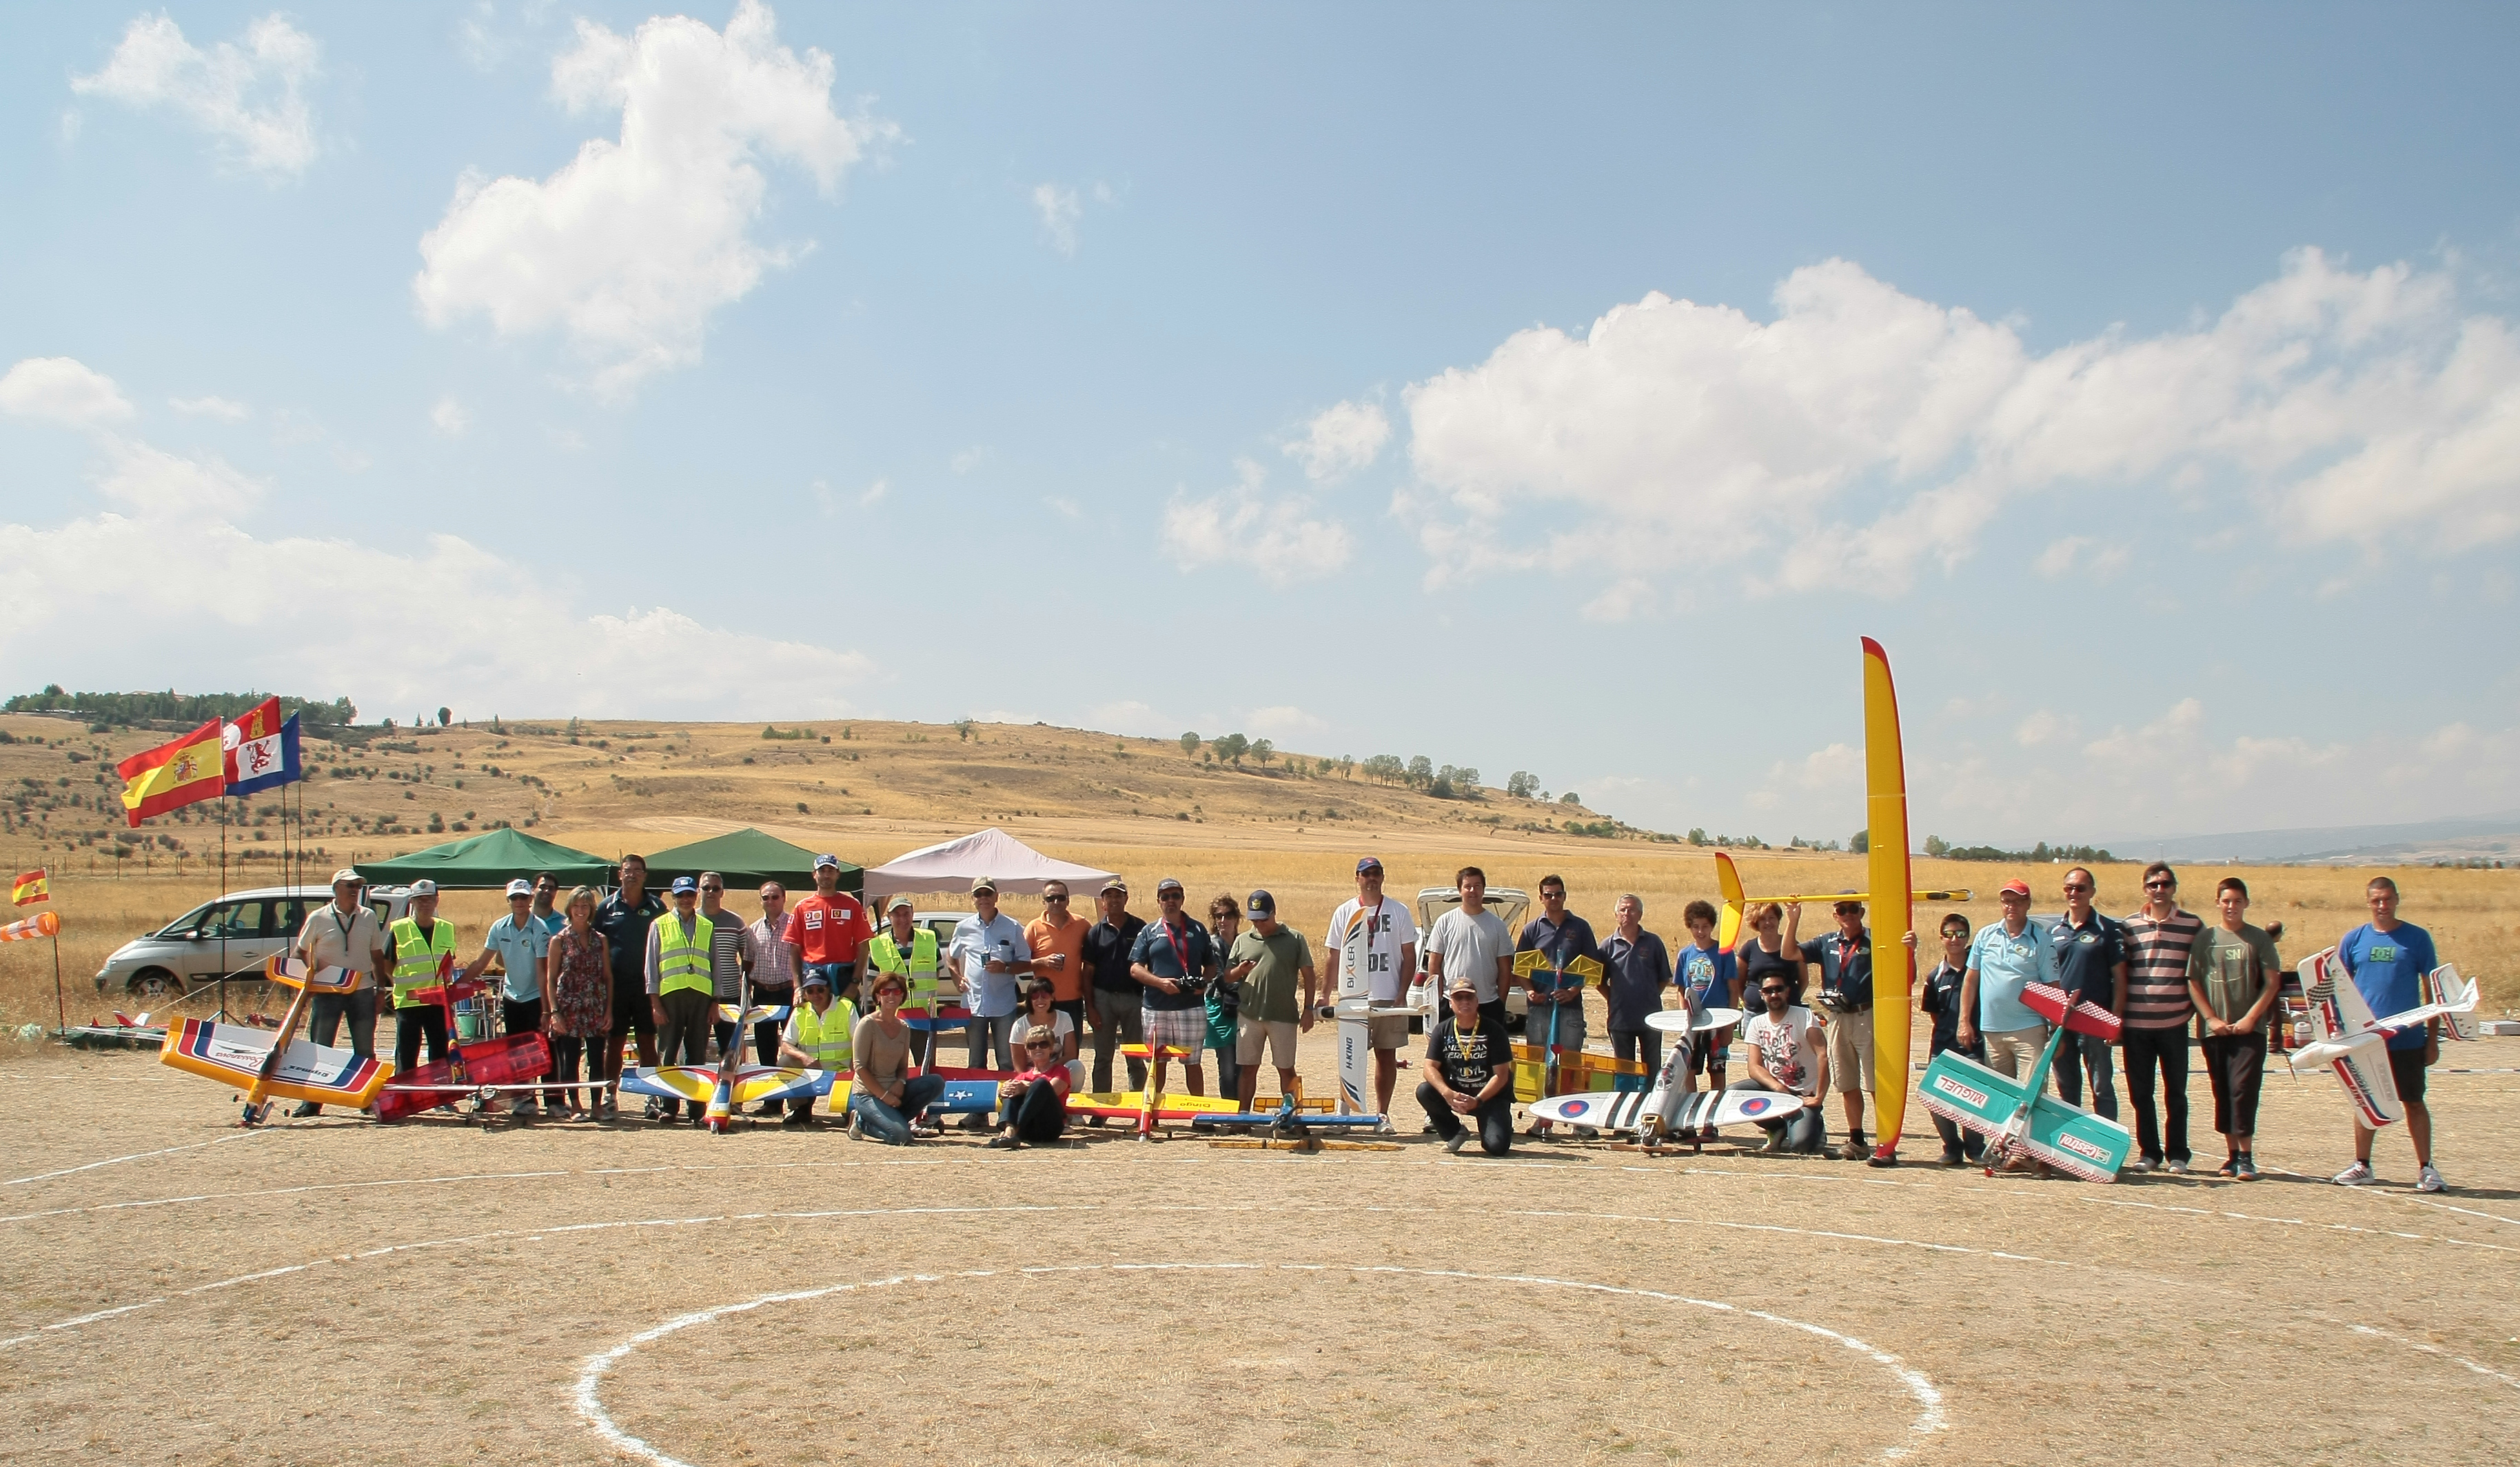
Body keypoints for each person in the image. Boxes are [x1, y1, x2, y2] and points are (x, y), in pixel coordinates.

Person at [2332, 876, 2447, 1193]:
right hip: (2366, 1040)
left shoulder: (2418, 939)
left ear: (2397, 899)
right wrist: (2340, 1033)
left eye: (2387, 900)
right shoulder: (2354, 940)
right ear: (2368, 902)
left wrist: (2432, 1038)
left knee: (2413, 1101)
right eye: (2376, 901)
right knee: (2365, 1102)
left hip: (2408, 1039)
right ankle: (2362, 1165)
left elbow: (2431, 990)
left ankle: (2426, 1168)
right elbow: (2338, 989)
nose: (2382, 906)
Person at [2186, 877, 2282, 1180]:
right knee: (2223, 1090)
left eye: (2237, 901)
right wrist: (2211, 1018)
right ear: (2218, 903)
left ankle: (2246, 1156)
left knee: (2243, 1089)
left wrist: (2252, 1018)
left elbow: (2272, 983)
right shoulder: (2206, 939)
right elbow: (2194, 981)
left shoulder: (2258, 939)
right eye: (2226, 901)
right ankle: (2230, 1157)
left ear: (2246, 904)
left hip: (2249, 1032)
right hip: (2216, 1031)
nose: (2231, 907)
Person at [2120, 861, 2204, 1175]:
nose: (2159, 890)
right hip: (2136, 1025)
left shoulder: (2193, 926)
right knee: (2141, 1093)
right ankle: (2149, 1152)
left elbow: (2201, 971)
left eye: (2165, 884)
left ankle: (2178, 1154)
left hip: (2174, 1024)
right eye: (2153, 884)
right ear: (2145, 889)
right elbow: (2122, 973)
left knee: (2176, 1093)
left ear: (2174, 888)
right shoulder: (2128, 927)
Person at [287, 869, 392, 1117]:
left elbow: (377, 955)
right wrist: (310, 978)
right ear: (336, 888)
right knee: (321, 1047)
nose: (355, 890)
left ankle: (367, 1099)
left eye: (358, 886)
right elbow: (300, 952)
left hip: (362, 990)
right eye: (349, 885)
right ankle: (313, 1101)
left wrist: (380, 990)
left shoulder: (368, 917)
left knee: (365, 1049)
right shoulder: (318, 917)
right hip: (327, 991)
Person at [1323, 857, 1419, 1125]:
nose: (1371, 879)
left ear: (1383, 877)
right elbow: (1334, 955)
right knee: (1350, 1053)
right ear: (1357, 878)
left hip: (1388, 995)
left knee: (1386, 1056)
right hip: (1353, 995)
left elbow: (1408, 955)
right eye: (1366, 874)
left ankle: (1382, 1113)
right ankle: (1345, 1111)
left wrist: (1402, 993)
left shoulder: (1398, 911)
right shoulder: (1345, 912)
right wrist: (1325, 994)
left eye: (1376, 873)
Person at [463, 878, 562, 1114]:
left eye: (524, 898)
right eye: (515, 898)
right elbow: (483, 961)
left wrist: (547, 1010)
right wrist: (457, 984)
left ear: (530, 900)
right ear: (508, 901)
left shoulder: (540, 929)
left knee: (545, 1048)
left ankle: (555, 1101)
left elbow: (542, 971)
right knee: (517, 1052)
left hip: (536, 996)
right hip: (512, 996)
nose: (519, 902)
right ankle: (524, 1100)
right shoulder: (499, 927)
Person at [1516, 873, 1601, 1135]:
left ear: (1565, 896)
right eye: (1549, 895)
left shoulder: (1581, 927)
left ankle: (1578, 1120)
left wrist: (1574, 991)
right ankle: (1543, 1120)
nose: (1554, 899)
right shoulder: (1532, 929)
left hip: (1570, 1009)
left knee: (1572, 1063)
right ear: (1541, 898)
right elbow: (1521, 968)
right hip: (1540, 1009)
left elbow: (1592, 967)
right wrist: (1531, 992)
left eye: (1559, 894)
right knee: (1540, 1064)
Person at [1796, 897, 1878, 1160]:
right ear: (1835, 915)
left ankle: (1887, 1140)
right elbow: (1789, 953)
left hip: (1868, 1015)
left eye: (1853, 909)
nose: (1848, 914)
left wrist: (1908, 950)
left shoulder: (1875, 940)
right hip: (1838, 1018)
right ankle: (1857, 1140)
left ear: (1862, 912)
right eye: (1842, 910)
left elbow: (1907, 977)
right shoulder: (1827, 941)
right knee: (1846, 1081)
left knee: (1876, 1083)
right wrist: (1794, 918)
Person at [2046, 867, 2127, 1122]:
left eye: (2080, 888)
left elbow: (2122, 978)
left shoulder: (2108, 930)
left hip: (2095, 1021)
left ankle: (2105, 1148)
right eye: (2069, 888)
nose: (2074, 893)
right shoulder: (2053, 932)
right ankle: (2071, 1148)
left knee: (2102, 1088)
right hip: (2061, 1022)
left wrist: (2116, 1019)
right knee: (2067, 1088)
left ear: (2092, 892)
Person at [1958, 880, 2057, 1080]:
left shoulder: (2041, 940)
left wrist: (2055, 1031)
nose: (2011, 906)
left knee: (2031, 1096)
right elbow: (1970, 981)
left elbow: (2053, 987)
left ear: (2028, 903)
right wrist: (1964, 1021)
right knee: (2000, 1097)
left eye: (2017, 901)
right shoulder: (1985, 936)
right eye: (2006, 901)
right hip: (1992, 1030)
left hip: (2029, 1030)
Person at [1130, 877, 1215, 1097]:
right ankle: (1152, 1115)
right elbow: (1135, 968)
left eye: (1175, 896)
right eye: (1165, 897)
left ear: (1183, 899)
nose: (1171, 901)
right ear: (1158, 901)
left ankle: (1199, 1115)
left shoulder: (1197, 929)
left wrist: (1203, 984)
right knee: (1157, 1064)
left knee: (1193, 1062)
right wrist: (1159, 983)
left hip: (1190, 1007)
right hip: (1156, 1007)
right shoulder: (1149, 931)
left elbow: (1212, 966)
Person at [1233, 889, 1316, 1111]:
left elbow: (1308, 974)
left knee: (1286, 1068)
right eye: (1254, 919)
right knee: (1248, 1069)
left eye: (1264, 918)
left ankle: (1294, 1113)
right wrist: (1237, 971)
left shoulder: (1295, 939)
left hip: (1283, 1016)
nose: (1259, 924)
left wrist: (1309, 1009)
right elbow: (1227, 975)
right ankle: (1242, 1116)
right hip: (1249, 1015)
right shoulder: (1243, 940)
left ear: (1274, 913)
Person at [593, 855, 664, 1114]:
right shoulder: (606, 907)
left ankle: (652, 1097)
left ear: (645, 876)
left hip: (647, 987)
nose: (632, 875)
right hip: (616, 988)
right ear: (619, 875)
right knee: (615, 1043)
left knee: (647, 1043)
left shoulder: (657, 906)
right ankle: (610, 1096)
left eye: (637, 871)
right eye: (627, 870)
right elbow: (595, 941)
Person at [1731, 971, 1830, 1155]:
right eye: (1768, 991)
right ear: (1762, 994)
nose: (1774, 994)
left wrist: (1818, 1098)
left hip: (1803, 1094)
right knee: (1734, 1093)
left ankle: (1816, 1124)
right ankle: (1777, 1127)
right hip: (1775, 1090)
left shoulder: (1804, 1016)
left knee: (1801, 1146)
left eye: (1779, 989)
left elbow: (1822, 1055)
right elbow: (1754, 1067)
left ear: (1787, 992)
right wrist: (1777, 1088)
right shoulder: (1756, 1023)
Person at [1914, 913, 1985, 1164]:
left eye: (1961, 934)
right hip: (1943, 1047)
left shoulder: (1980, 972)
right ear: (1941, 937)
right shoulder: (1935, 976)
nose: (1955, 939)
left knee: (1974, 1100)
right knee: (1936, 1098)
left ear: (1968, 938)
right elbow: (1935, 1014)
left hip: (1974, 1047)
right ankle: (1951, 1147)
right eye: (1950, 934)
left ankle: (1975, 1149)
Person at [644, 876, 716, 1125]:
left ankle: (696, 1107)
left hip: (700, 997)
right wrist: (655, 1003)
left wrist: (714, 1002)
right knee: (667, 1053)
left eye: (690, 895)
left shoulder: (707, 926)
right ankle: (668, 1105)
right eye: (680, 895)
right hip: (670, 996)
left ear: (695, 897)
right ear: (673, 898)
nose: (686, 900)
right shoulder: (659, 925)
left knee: (697, 1053)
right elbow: (651, 967)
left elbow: (714, 965)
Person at [847, 971, 946, 1144]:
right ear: (878, 997)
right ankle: (861, 1122)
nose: (891, 996)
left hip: (894, 1090)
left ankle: (893, 1120)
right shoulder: (867, 1024)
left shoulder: (904, 1028)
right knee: (901, 1137)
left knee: (935, 1082)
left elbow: (902, 1066)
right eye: (885, 992)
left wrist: (900, 1082)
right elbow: (860, 1067)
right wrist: (885, 1096)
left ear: (902, 997)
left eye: (897, 991)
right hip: (868, 1094)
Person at [1418, 978, 1514, 1156]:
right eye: (1459, 998)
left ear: (1477, 1002)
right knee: (1425, 1091)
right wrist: (1447, 1093)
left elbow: (1502, 1076)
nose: (1464, 1002)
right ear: (1451, 1003)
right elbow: (1429, 1067)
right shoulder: (1442, 1030)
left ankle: (1497, 1122)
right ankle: (1455, 1131)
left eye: (1469, 998)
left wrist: (1478, 1100)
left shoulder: (1494, 1030)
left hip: (1489, 1098)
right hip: (1456, 1093)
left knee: (1497, 1148)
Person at [949, 878, 1030, 1085]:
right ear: (973, 899)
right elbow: (951, 956)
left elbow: (1026, 962)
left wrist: (1006, 968)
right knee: (976, 1063)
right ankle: (978, 1115)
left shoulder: (1012, 927)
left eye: (987, 894)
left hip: (1003, 1005)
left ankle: (1005, 1113)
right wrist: (956, 976)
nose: (983, 898)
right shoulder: (963, 927)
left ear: (996, 897)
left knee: (1006, 1062)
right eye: (979, 894)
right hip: (974, 1005)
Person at [542, 885, 613, 1120]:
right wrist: (554, 1012)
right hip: (568, 1005)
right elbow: (551, 979)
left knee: (596, 1057)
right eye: (576, 906)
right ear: (569, 909)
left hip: (594, 1004)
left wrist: (608, 1010)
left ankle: (597, 1104)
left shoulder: (600, 940)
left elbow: (607, 977)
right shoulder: (559, 941)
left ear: (592, 909)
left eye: (585, 906)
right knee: (570, 1058)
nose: (581, 910)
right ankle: (574, 1105)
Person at [1674, 900, 1740, 1138]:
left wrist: (1730, 1024)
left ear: (1712, 926)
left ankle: (1711, 1122)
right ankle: (1692, 1119)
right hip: (1695, 1024)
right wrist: (1685, 1020)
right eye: (1696, 927)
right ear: (1689, 927)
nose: (1701, 932)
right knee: (1690, 1071)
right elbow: (1682, 990)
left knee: (1717, 1072)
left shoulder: (1724, 952)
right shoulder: (1685, 955)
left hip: (1719, 1021)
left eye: (1704, 926)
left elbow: (1734, 989)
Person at [1423, 867, 1512, 1033]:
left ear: (1483, 890)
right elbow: (1434, 965)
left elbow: (1505, 969)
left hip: (1488, 1004)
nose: (1473, 891)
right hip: (1452, 1003)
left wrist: (1501, 1002)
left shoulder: (1498, 925)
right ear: (1460, 890)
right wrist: (1440, 999)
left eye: (1477, 886)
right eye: (1468, 886)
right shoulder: (1445, 922)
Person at [386, 879, 459, 1080]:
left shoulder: (446, 928)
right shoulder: (399, 929)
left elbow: (449, 960)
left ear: (437, 901)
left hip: (437, 1001)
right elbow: (387, 961)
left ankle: (440, 1092)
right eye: (420, 900)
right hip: (409, 1001)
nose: (424, 904)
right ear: (412, 902)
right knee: (407, 1051)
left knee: (440, 1050)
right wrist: (397, 981)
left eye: (428, 899)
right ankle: (406, 1093)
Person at [1083, 878, 1148, 1096]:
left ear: (1126, 899)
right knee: (1103, 1056)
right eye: (1108, 896)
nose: (1113, 900)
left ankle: (1139, 1106)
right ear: (1102, 902)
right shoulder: (1095, 933)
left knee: (1136, 1056)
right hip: (1104, 999)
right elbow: (1087, 973)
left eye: (1118, 895)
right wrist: (1090, 1007)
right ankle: (1100, 1109)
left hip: (1134, 999)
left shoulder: (1140, 929)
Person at [864, 894, 945, 1066]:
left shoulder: (930, 939)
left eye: (906, 914)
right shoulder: (877, 945)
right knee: (889, 1067)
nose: (902, 919)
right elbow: (873, 982)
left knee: (925, 1067)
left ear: (912, 914)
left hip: (923, 1017)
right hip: (891, 1017)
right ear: (889, 918)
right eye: (897, 914)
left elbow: (936, 972)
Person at [1601, 893, 1673, 1080]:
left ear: (1640, 914)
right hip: (1620, 1019)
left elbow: (1664, 977)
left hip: (1651, 1018)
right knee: (1625, 1072)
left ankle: (1649, 1106)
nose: (1627, 913)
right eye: (1623, 910)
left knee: (1652, 1069)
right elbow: (1598, 981)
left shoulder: (1653, 942)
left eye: (1632, 910)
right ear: (1616, 914)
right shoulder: (1607, 946)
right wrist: (1615, 997)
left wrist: (1648, 995)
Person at [783, 854, 871, 1004]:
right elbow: (794, 949)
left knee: (846, 1025)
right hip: (812, 977)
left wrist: (854, 983)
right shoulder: (802, 907)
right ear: (814, 875)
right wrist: (798, 987)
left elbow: (863, 947)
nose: (826, 875)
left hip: (843, 977)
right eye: (822, 871)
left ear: (838, 874)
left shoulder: (852, 905)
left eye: (830, 871)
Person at [746, 882, 802, 1115]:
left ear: (784, 898)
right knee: (765, 1049)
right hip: (762, 993)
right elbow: (748, 964)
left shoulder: (795, 925)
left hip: (788, 992)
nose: (770, 901)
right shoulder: (753, 929)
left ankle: (796, 1102)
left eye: (775, 897)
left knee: (793, 1047)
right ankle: (771, 1101)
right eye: (765, 898)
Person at [698, 873, 761, 1072]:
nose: (711, 892)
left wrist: (745, 989)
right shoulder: (691, 920)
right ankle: (699, 1101)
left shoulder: (735, 923)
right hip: (700, 994)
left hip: (730, 995)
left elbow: (747, 957)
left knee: (730, 1051)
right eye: (706, 888)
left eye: (715, 888)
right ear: (699, 890)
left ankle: (734, 1101)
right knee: (697, 1049)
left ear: (722, 892)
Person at [775, 971, 855, 1127]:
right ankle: (801, 1108)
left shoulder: (846, 1007)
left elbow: (860, 1042)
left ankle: (848, 1107)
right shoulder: (800, 1011)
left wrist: (854, 1067)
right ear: (804, 993)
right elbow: (786, 1044)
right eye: (810, 991)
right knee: (785, 1061)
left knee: (850, 1118)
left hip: (842, 1071)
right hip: (811, 1070)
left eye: (820, 989)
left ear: (829, 988)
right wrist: (805, 1058)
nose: (815, 994)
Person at [988, 1024, 1073, 1149]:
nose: (1037, 1048)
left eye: (1043, 1044)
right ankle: (1009, 1131)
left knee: (1040, 1084)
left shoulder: (1061, 1071)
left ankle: (1013, 1131)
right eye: (1032, 1046)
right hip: (1027, 1130)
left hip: (1049, 1127)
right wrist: (1004, 1091)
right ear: (1027, 1051)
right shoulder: (1023, 1076)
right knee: (1012, 1087)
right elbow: (1008, 1094)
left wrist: (1026, 1088)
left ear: (1051, 1048)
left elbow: (1051, 1091)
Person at [1024, 880, 1090, 1033]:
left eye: (1061, 898)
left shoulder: (1082, 925)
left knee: (1072, 1050)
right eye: (1050, 898)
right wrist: (1042, 962)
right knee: (1043, 1048)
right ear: (1043, 902)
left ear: (1068, 900)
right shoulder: (1033, 928)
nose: (1056, 902)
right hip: (1042, 1000)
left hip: (1073, 999)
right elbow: (1019, 964)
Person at [1204, 893, 1246, 1105]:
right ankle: (1230, 1110)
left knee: (1244, 1064)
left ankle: (1241, 1111)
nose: (1223, 920)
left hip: (1245, 1009)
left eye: (1228, 915)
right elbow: (1220, 979)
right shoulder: (1212, 945)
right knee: (1227, 1065)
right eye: (1218, 915)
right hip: (1220, 1008)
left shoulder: (1246, 942)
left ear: (1237, 918)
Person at [1015, 978, 1082, 1092]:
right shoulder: (1020, 1025)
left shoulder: (1065, 1018)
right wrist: (1029, 1078)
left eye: (1045, 995)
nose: (1040, 1000)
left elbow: (1071, 1055)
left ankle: (1068, 1104)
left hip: (1057, 1070)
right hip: (1032, 1073)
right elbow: (1019, 1065)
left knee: (1076, 1066)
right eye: (1035, 996)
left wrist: (1049, 1070)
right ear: (1029, 1000)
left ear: (1052, 997)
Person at [1734, 902, 1802, 1009]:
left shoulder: (1792, 945)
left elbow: (1804, 980)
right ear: (1756, 923)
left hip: (1790, 1011)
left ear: (1778, 920)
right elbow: (1738, 981)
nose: (1768, 922)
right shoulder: (1748, 948)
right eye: (1763, 919)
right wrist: (1749, 1000)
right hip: (1755, 1012)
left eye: (1772, 918)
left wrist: (1793, 997)